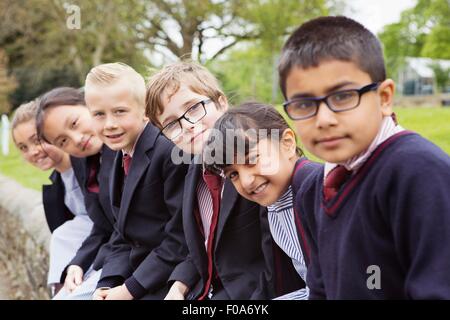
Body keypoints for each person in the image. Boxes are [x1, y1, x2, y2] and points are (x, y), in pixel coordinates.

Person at [278, 15, 450, 299]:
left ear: (384, 97)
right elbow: (320, 290)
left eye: (343, 96)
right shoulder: (313, 189)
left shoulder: (420, 174)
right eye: (304, 104)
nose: (324, 119)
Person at [145, 61, 300, 300]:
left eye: (194, 108)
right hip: (203, 291)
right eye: (172, 124)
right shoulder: (192, 174)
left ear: (221, 103)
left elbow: (277, 269)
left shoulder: (259, 169)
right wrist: (179, 286)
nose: (187, 125)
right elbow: (201, 245)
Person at [84, 62, 189, 300]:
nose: (110, 123)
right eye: (99, 114)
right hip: (132, 272)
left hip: (168, 278)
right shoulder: (116, 151)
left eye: (120, 111)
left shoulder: (169, 153)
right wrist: (109, 283)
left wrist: (130, 289)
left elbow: (180, 238)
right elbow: (122, 232)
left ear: (144, 111)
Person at [203, 102, 322, 299]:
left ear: (287, 143)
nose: (246, 181)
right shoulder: (274, 205)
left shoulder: (317, 190)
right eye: (233, 174)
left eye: (252, 160)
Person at [36, 87, 119, 299]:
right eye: (63, 141)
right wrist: (77, 263)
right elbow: (102, 224)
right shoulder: (82, 161)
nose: (76, 138)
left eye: (74, 123)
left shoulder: (122, 148)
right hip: (116, 253)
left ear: (88, 104)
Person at [11, 99, 93, 296]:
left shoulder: (90, 167)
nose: (33, 152)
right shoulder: (55, 190)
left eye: (37, 139)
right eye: (23, 147)